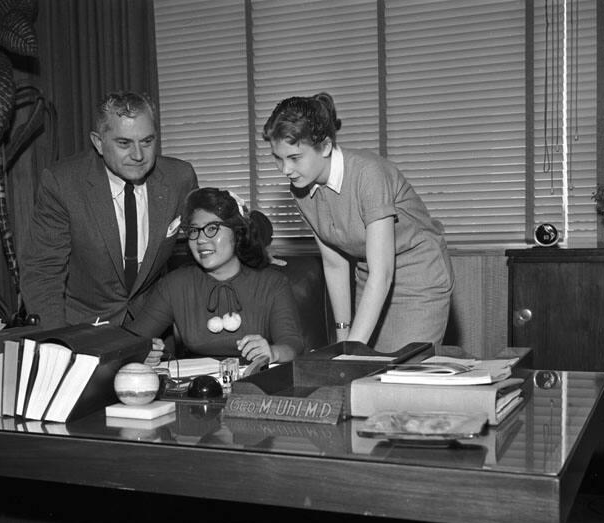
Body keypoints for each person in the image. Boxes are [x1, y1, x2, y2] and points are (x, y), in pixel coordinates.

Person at [262, 92, 454, 352]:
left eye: (295, 158)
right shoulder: (300, 188)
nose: (285, 170)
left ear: (326, 146)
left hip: (418, 275)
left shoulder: (368, 174)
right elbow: (334, 262)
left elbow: (383, 273)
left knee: (400, 375)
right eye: (278, 158)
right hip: (369, 274)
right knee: (365, 372)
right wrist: (344, 335)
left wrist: (351, 350)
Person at [20, 90, 198, 329]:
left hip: (154, 329)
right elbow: (43, 273)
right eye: (124, 143)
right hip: (85, 332)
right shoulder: (63, 184)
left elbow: (194, 254)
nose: (138, 155)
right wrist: (60, 344)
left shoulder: (180, 178)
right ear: (98, 142)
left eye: (147, 141)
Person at [129, 187, 304, 364]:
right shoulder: (174, 285)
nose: (201, 239)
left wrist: (273, 353)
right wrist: (141, 351)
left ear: (238, 232)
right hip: (195, 387)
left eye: (212, 228)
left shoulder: (272, 283)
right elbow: (129, 341)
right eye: (194, 230)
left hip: (254, 385)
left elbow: (293, 345)